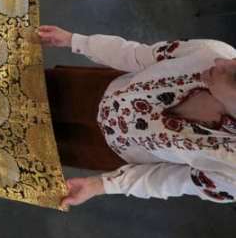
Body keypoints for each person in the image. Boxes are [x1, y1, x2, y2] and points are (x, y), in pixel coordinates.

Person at [38, 24, 236, 206]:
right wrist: (76, 41)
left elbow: (168, 180)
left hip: (100, 147)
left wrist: (100, 185)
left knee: (34, 144)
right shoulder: (210, 53)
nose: (221, 61)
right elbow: (135, 55)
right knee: (27, 89)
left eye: (232, 75)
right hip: (92, 89)